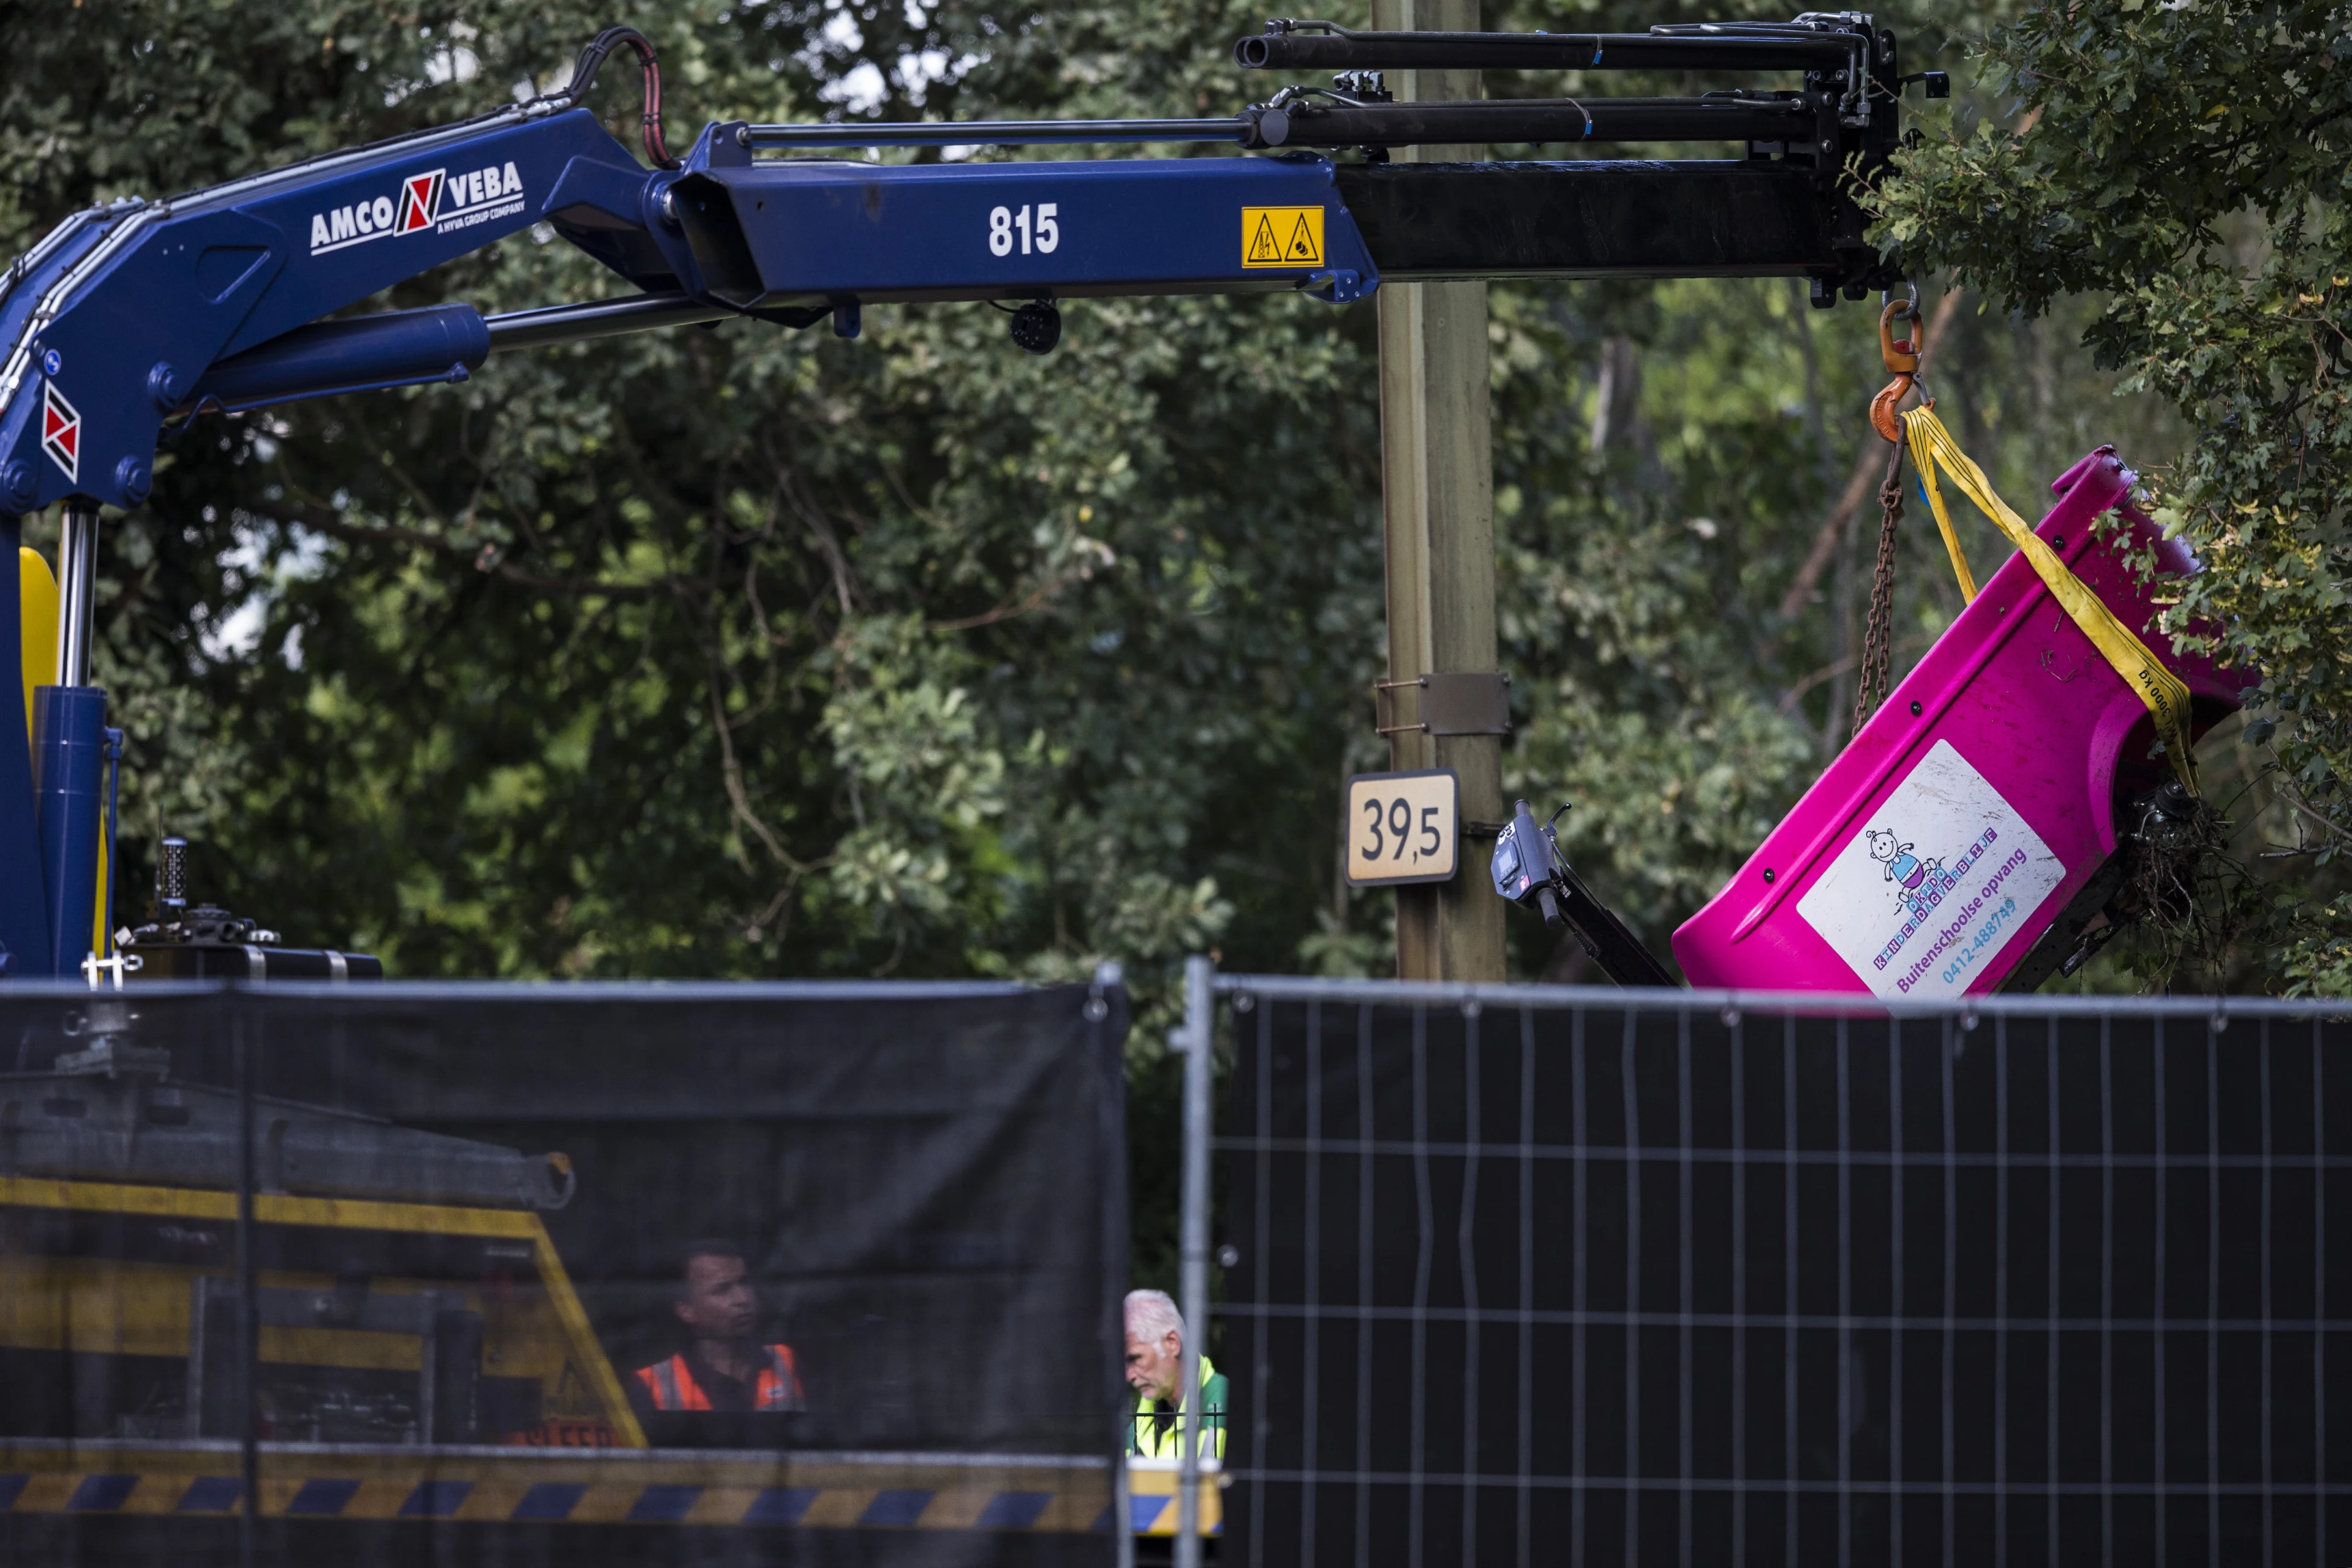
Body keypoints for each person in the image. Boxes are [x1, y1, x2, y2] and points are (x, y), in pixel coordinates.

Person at [632, 1238, 805, 1413]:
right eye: (722, 1290)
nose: (743, 1299)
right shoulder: (653, 1385)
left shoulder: (787, 1360)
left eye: (744, 1283)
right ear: (687, 1311)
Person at [1123, 1288, 1224, 1460]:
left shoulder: (1233, 1403)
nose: (1129, 1376)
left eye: (1136, 1358)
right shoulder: (1136, 1429)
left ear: (1172, 1343)